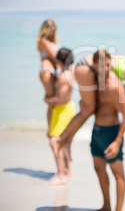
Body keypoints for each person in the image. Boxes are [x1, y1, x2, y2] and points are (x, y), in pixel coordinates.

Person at [52, 53, 125, 159]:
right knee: (88, 109)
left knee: (89, 108)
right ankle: (59, 139)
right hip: (87, 67)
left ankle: (67, 141)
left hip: (88, 65)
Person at [90, 50, 125, 211]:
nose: (107, 67)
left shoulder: (116, 87)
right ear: (95, 65)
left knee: (117, 173)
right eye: (103, 64)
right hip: (96, 131)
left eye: (109, 64)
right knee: (99, 169)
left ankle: (118, 210)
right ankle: (106, 206)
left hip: (112, 133)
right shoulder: (94, 80)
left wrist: (117, 141)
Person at [44, 48, 75, 185]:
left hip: (63, 109)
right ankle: (66, 170)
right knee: (64, 142)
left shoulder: (64, 77)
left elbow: (61, 99)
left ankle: (61, 175)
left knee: (55, 141)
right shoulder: (69, 72)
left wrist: (47, 100)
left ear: (60, 60)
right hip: (64, 109)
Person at [36, 19, 60, 128]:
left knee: (54, 100)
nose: (52, 33)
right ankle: (51, 130)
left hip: (53, 71)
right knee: (51, 101)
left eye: (54, 31)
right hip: (47, 70)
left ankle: (55, 126)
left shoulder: (51, 42)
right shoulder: (43, 41)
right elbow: (54, 57)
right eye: (50, 30)